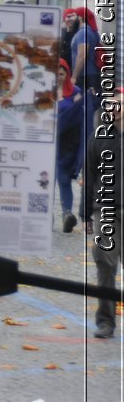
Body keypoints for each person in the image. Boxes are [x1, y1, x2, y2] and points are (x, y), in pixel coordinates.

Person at [81, 91, 121, 338]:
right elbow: (90, 177)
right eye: (111, 104)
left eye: (120, 104)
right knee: (104, 262)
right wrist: (85, 213)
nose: (114, 107)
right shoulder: (99, 137)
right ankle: (105, 321)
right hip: (105, 210)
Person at [56, 60, 95, 233]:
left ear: (67, 75)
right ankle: (42, 215)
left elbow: (82, 116)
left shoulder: (75, 93)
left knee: (64, 180)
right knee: (43, 182)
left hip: (67, 145)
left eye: (62, 74)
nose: (58, 77)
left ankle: (67, 214)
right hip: (45, 143)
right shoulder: (40, 92)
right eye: (55, 73)